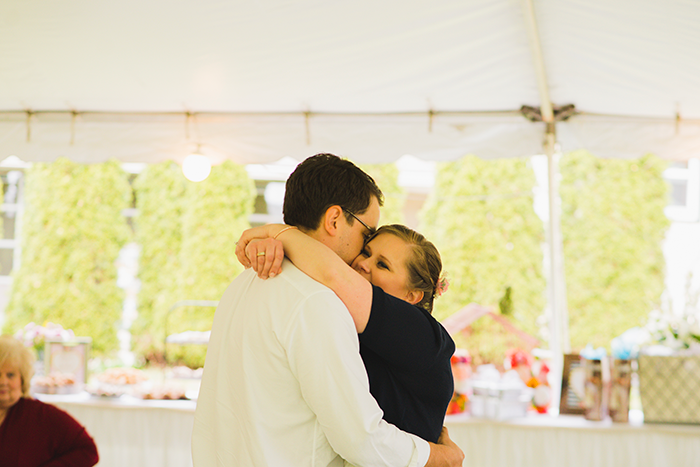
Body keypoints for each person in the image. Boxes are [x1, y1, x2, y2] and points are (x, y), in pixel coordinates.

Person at [192, 154, 463, 467]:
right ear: (335, 219)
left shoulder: (244, 282)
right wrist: (438, 457)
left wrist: (278, 233)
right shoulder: (317, 302)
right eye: (367, 234)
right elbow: (360, 438)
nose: (361, 260)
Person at [236, 223, 455, 444]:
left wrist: (275, 232)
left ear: (412, 296)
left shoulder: (422, 334)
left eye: (382, 265)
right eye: (366, 252)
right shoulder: (357, 322)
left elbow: (333, 274)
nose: (363, 264)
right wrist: (270, 248)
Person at [0, 335, 99, 467]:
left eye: (10, 375)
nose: (2, 382)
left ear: (22, 379)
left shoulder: (42, 415)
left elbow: (87, 450)